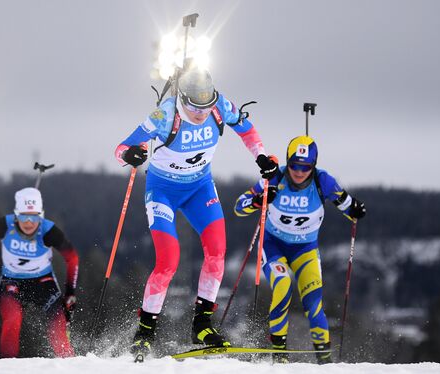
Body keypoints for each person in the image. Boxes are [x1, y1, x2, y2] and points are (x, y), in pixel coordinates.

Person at [114, 68, 278, 358]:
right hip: (163, 190)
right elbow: (122, 147)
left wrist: (261, 157)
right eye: (194, 107)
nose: (201, 113)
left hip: (199, 188)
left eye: (206, 106)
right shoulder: (165, 115)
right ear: (182, 99)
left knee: (217, 251)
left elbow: (246, 129)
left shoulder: (219, 106)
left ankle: (202, 324)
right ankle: (145, 331)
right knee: (168, 260)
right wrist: (129, 155)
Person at [234, 135, 366, 364]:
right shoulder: (274, 176)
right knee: (283, 285)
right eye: (295, 164)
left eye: (306, 166)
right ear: (288, 161)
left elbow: (346, 204)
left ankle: (324, 359)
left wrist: (354, 210)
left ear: (313, 166)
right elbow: (239, 206)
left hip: (305, 249)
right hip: (273, 246)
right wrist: (258, 202)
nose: (299, 171)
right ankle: (279, 352)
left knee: (314, 304)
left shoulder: (322, 180)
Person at [0, 187, 79, 358]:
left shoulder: (48, 230)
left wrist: (70, 293)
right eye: (23, 216)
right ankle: (8, 367)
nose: (29, 222)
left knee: (57, 323)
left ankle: (69, 363)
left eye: (34, 216)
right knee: (13, 319)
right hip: (12, 281)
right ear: (16, 215)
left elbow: (72, 258)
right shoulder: (4, 225)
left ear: (40, 215)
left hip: (43, 281)